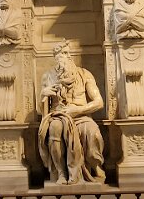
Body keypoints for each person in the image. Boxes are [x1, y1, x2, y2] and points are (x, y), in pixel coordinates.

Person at [38, 41, 105, 184]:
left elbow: (99, 102)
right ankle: (61, 172)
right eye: (64, 53)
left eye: (69, 53)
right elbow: (41, 111)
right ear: (56, 56)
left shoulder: (84, 74)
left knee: (93, 132)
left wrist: (77, 110)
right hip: (58, 115)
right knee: (55, 128)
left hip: (81, 115)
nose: (68, 56)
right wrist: (43, 94)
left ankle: (95, 164)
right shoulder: (48, 76)